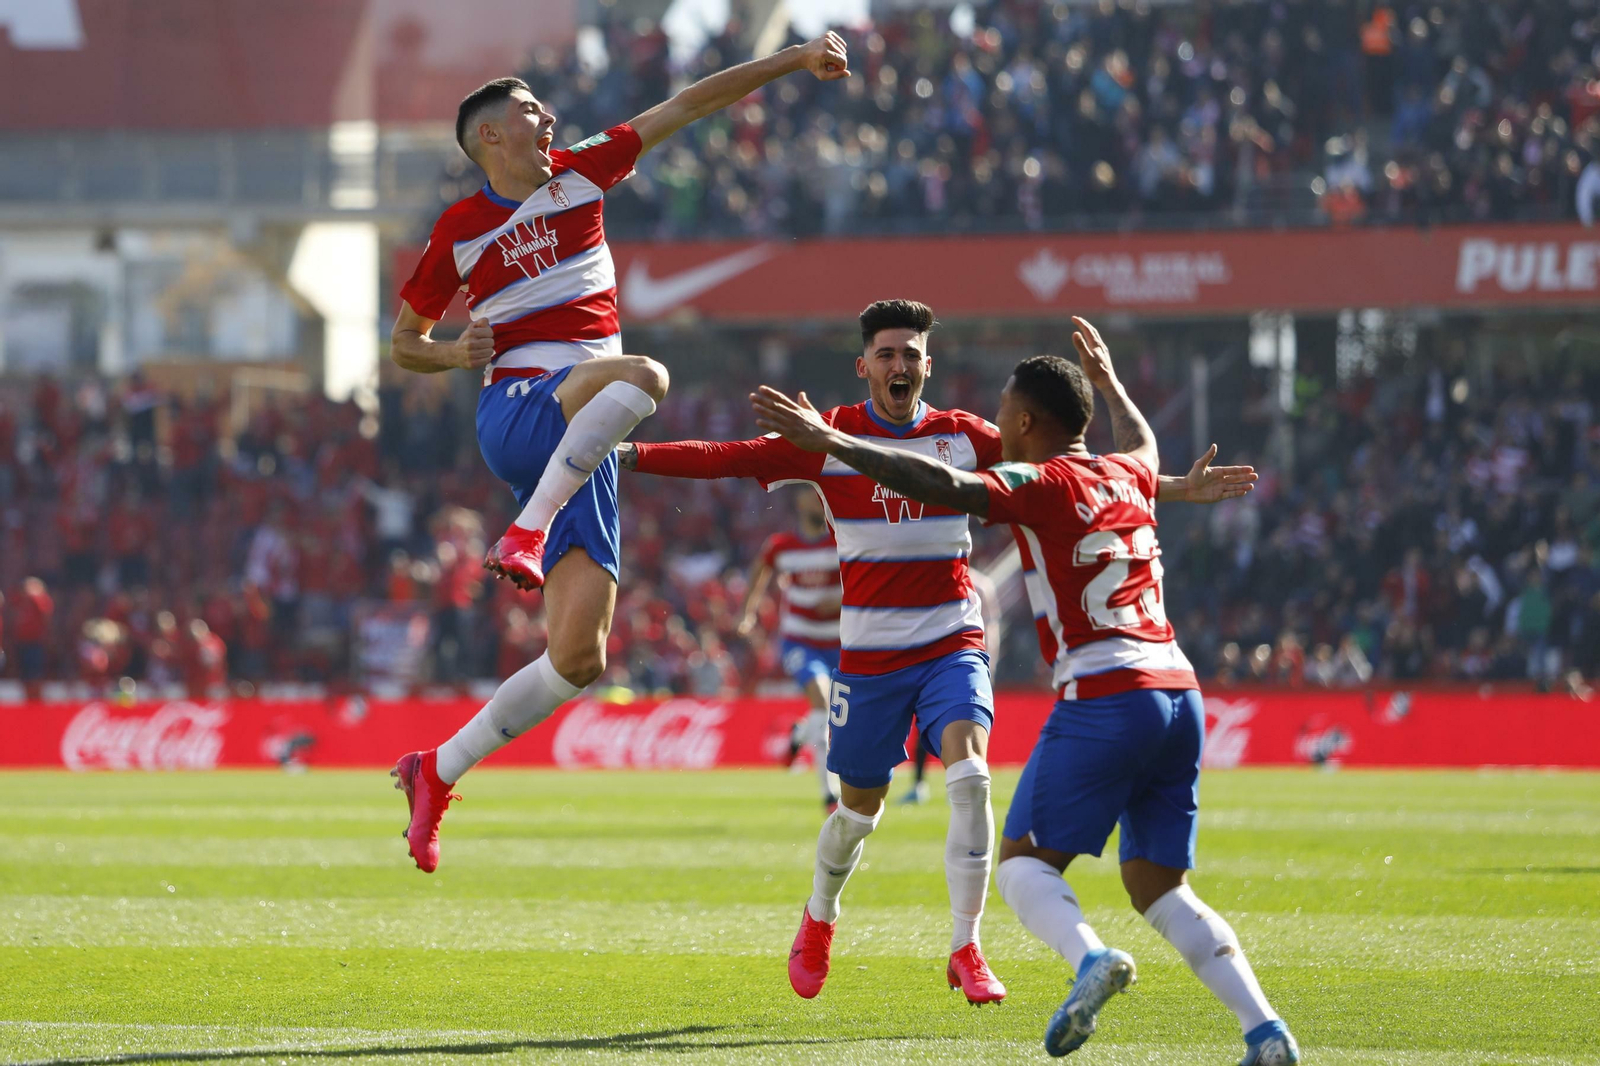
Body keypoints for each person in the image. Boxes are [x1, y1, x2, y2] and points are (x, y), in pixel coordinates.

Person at [622, 300, 1237, 1006]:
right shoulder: (829, 436)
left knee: (970, 774)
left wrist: (1176, 489)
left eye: (911, 354)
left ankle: (965, 946)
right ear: (864, 367)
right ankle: (819, 918)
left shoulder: (968, 438)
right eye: (886, 354)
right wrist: (627, 454)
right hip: (871, 658)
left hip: (952, 640)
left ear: (927, 366)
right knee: (856, 812)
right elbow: (727, 459)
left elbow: (1073, 480)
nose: (899, 365)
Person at [750, 318, 1297, 1065]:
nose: (995, 421)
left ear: (1030, 422)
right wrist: (1107, 381)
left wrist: (837, 444)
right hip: (1180, 693)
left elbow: (938, 482)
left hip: (1107, 695)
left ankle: (1089, 960)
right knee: (1161, 889)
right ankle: (1265, 1032)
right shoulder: (1130, 471)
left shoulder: (1033, 481)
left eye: (1005, 408)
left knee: (1022, 866)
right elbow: (1141, 439)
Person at [386, 35, 852, 874]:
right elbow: (403, 344)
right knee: (647, 374)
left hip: (580, 438)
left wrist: (789, 60)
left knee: (579, 658)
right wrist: (454, 354)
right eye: (530, 110)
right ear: (490, 136)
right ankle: (524, 532)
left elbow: (690, 104)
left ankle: (437, 770)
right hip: (522, 408)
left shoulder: (584, 169)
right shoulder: (456, 232)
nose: (548, 117)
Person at [738, 488, 842, 811]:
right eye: (814, 495)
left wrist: (841, 598)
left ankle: (799, 734)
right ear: (799, 502)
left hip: (840, 642)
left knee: (832, 714)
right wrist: (747, 612)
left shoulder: (841, 540)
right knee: (822, 702)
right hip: (800, 641)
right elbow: (760, 571)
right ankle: (829, 794)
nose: (821, 500)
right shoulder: (782, 546)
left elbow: (862, 577)